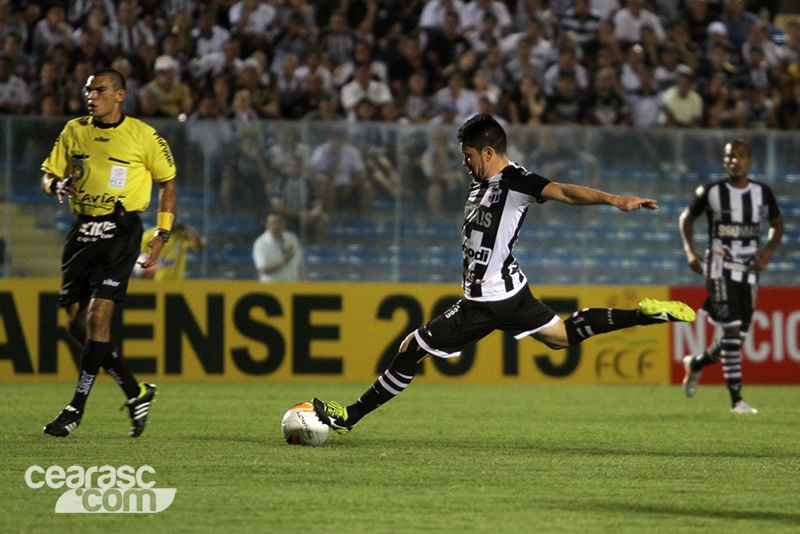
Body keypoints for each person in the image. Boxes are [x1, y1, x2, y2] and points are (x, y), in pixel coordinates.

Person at [312, 114, 696, 434]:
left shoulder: (515, 181)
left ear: (489, 152)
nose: (465, 162)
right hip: (512, 291)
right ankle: (645, 315)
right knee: (562, 337)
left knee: (411, 347)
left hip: (486, 301)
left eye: (468, 155)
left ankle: (349, 416)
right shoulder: (481, 184)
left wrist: (616, 200)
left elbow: (563, 191)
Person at [40, 68, 177, 438]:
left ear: (119, 95)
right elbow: (47, 174)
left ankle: (74, 410)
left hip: (120, 231)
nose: (91, 95)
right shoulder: (73, 130)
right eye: (88, 90)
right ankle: (135, 390)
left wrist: (162, 230)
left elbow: (168, 180)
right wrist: (57, 184)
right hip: (81, 230)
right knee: (76, 326)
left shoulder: (143, 135)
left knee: (99, 318)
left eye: (99, 90)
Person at [678, 139, 784, 414]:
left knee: (732, 341)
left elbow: (777, 224)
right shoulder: (711, 191)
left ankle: (697, 363)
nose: (734, 160)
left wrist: (769, 251)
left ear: (750, 161)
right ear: (724, 161)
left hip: (749, 273)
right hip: (719, 269)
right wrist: (690, 252)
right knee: (733, 332)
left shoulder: (762, 193)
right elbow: (686, 218)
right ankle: (737, 400)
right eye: (729, 156)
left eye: (740, 156)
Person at [137, 223, 206, 280]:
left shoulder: (181, 235)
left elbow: (201, 246)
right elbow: (139, 261)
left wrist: (187, 229)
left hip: (176, 285)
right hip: (156, 286)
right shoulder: (148, 235)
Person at [253, 213, 303, 282]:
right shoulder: (261, 243)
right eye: (273, 223)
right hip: (271, 287)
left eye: (279, 222)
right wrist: (285, 261)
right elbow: (263, 269)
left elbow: (299, 263)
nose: (276, 226)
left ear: (284, 224)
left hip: (291, 285)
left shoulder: (291, 238)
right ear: (267, 225)